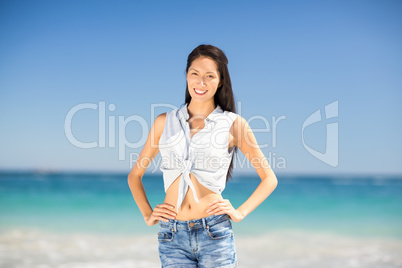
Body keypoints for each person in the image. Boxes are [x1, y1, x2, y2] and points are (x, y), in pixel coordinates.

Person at [128, 44, 278, 267]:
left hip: (214, 232)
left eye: (210, 76)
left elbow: (269, 179)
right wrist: (148, 215)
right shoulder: (164, 122)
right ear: (187, 76)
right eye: (195, 74)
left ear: (220, 81)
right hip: (171, 234)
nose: (201, 82)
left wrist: (239, 212)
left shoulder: (233, 125)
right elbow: (134, 176)